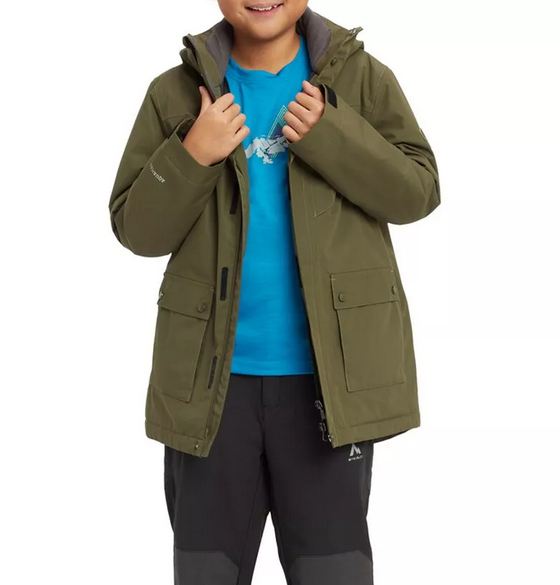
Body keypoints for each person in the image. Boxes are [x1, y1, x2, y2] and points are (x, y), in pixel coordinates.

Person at [108, 1, 441, 583]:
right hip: (209, 392)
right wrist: (192, 154)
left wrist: (333, 134)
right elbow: (138, 231)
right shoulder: (175, 93)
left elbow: (417, 192)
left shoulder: (362, 80)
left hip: (328, 389)